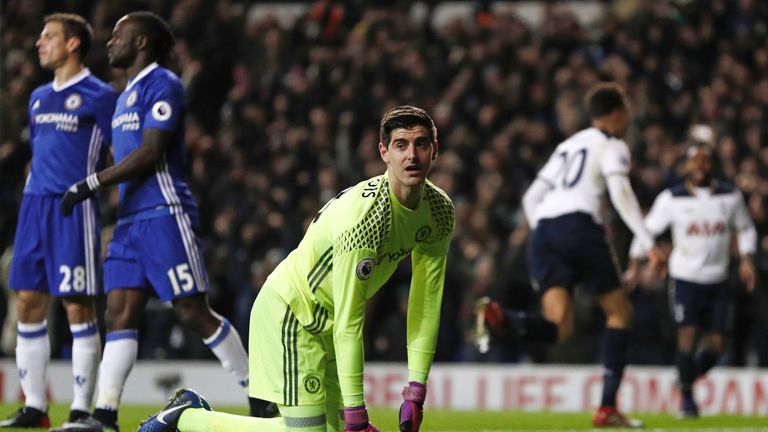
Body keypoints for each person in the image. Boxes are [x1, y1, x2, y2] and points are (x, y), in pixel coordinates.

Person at [138, 105, 455, 432]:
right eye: (401, 145)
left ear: (435, 149)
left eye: (421, 144)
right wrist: (357, 417)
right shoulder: (367, 219)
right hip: (293, 313)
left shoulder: (439, 212)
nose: (412, 155)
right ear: (384, 153)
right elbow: (351, 321)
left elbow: (426, 303)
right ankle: (187, 418)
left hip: (330, 326)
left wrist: (416, 391)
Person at [55, 12, 273, 431]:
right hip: (130, 221)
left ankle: (258, 392)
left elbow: (152, 151)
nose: (110, 42)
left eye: (120, 35)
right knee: (119, 313)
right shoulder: (123, 97)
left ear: (141, 43)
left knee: (192, 309)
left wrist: (91, 183)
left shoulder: (163, 84)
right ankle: (104, 414)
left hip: (164, 213)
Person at [480, 82, 659, 428]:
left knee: (558, 326)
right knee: (620, 311)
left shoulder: (567, 145)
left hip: (544, 232)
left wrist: (547, 235)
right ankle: (608, 408)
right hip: (579, 225)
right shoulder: (612, 144)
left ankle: (502, 319)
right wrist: (648, 241)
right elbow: (620, 190)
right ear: (618, 114)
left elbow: (531, 198)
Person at [0, 13, 117, 429]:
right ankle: (35, 407)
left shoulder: (100, 96)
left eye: (48, 37)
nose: (39, 43)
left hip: (73, 209)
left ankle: (82, 409)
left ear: (72, 44)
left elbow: (117, 154)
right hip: (33, 209)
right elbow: (39, 153)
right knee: (28, 302)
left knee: (77, 306)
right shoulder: (37, 97)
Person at [625, 144, 757, 418]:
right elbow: (647, 230)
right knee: (687, 334)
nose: (699, 167)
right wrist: (635, 263)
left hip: (718, 278)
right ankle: (687, 400)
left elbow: (745, 228)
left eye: (704, 162)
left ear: (712, 165)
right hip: (686, 277)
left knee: (718, 343)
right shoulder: (672, 199)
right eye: (694, 162)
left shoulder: (729, 196)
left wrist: (746, 258)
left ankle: (687, 378)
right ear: (686, 166)